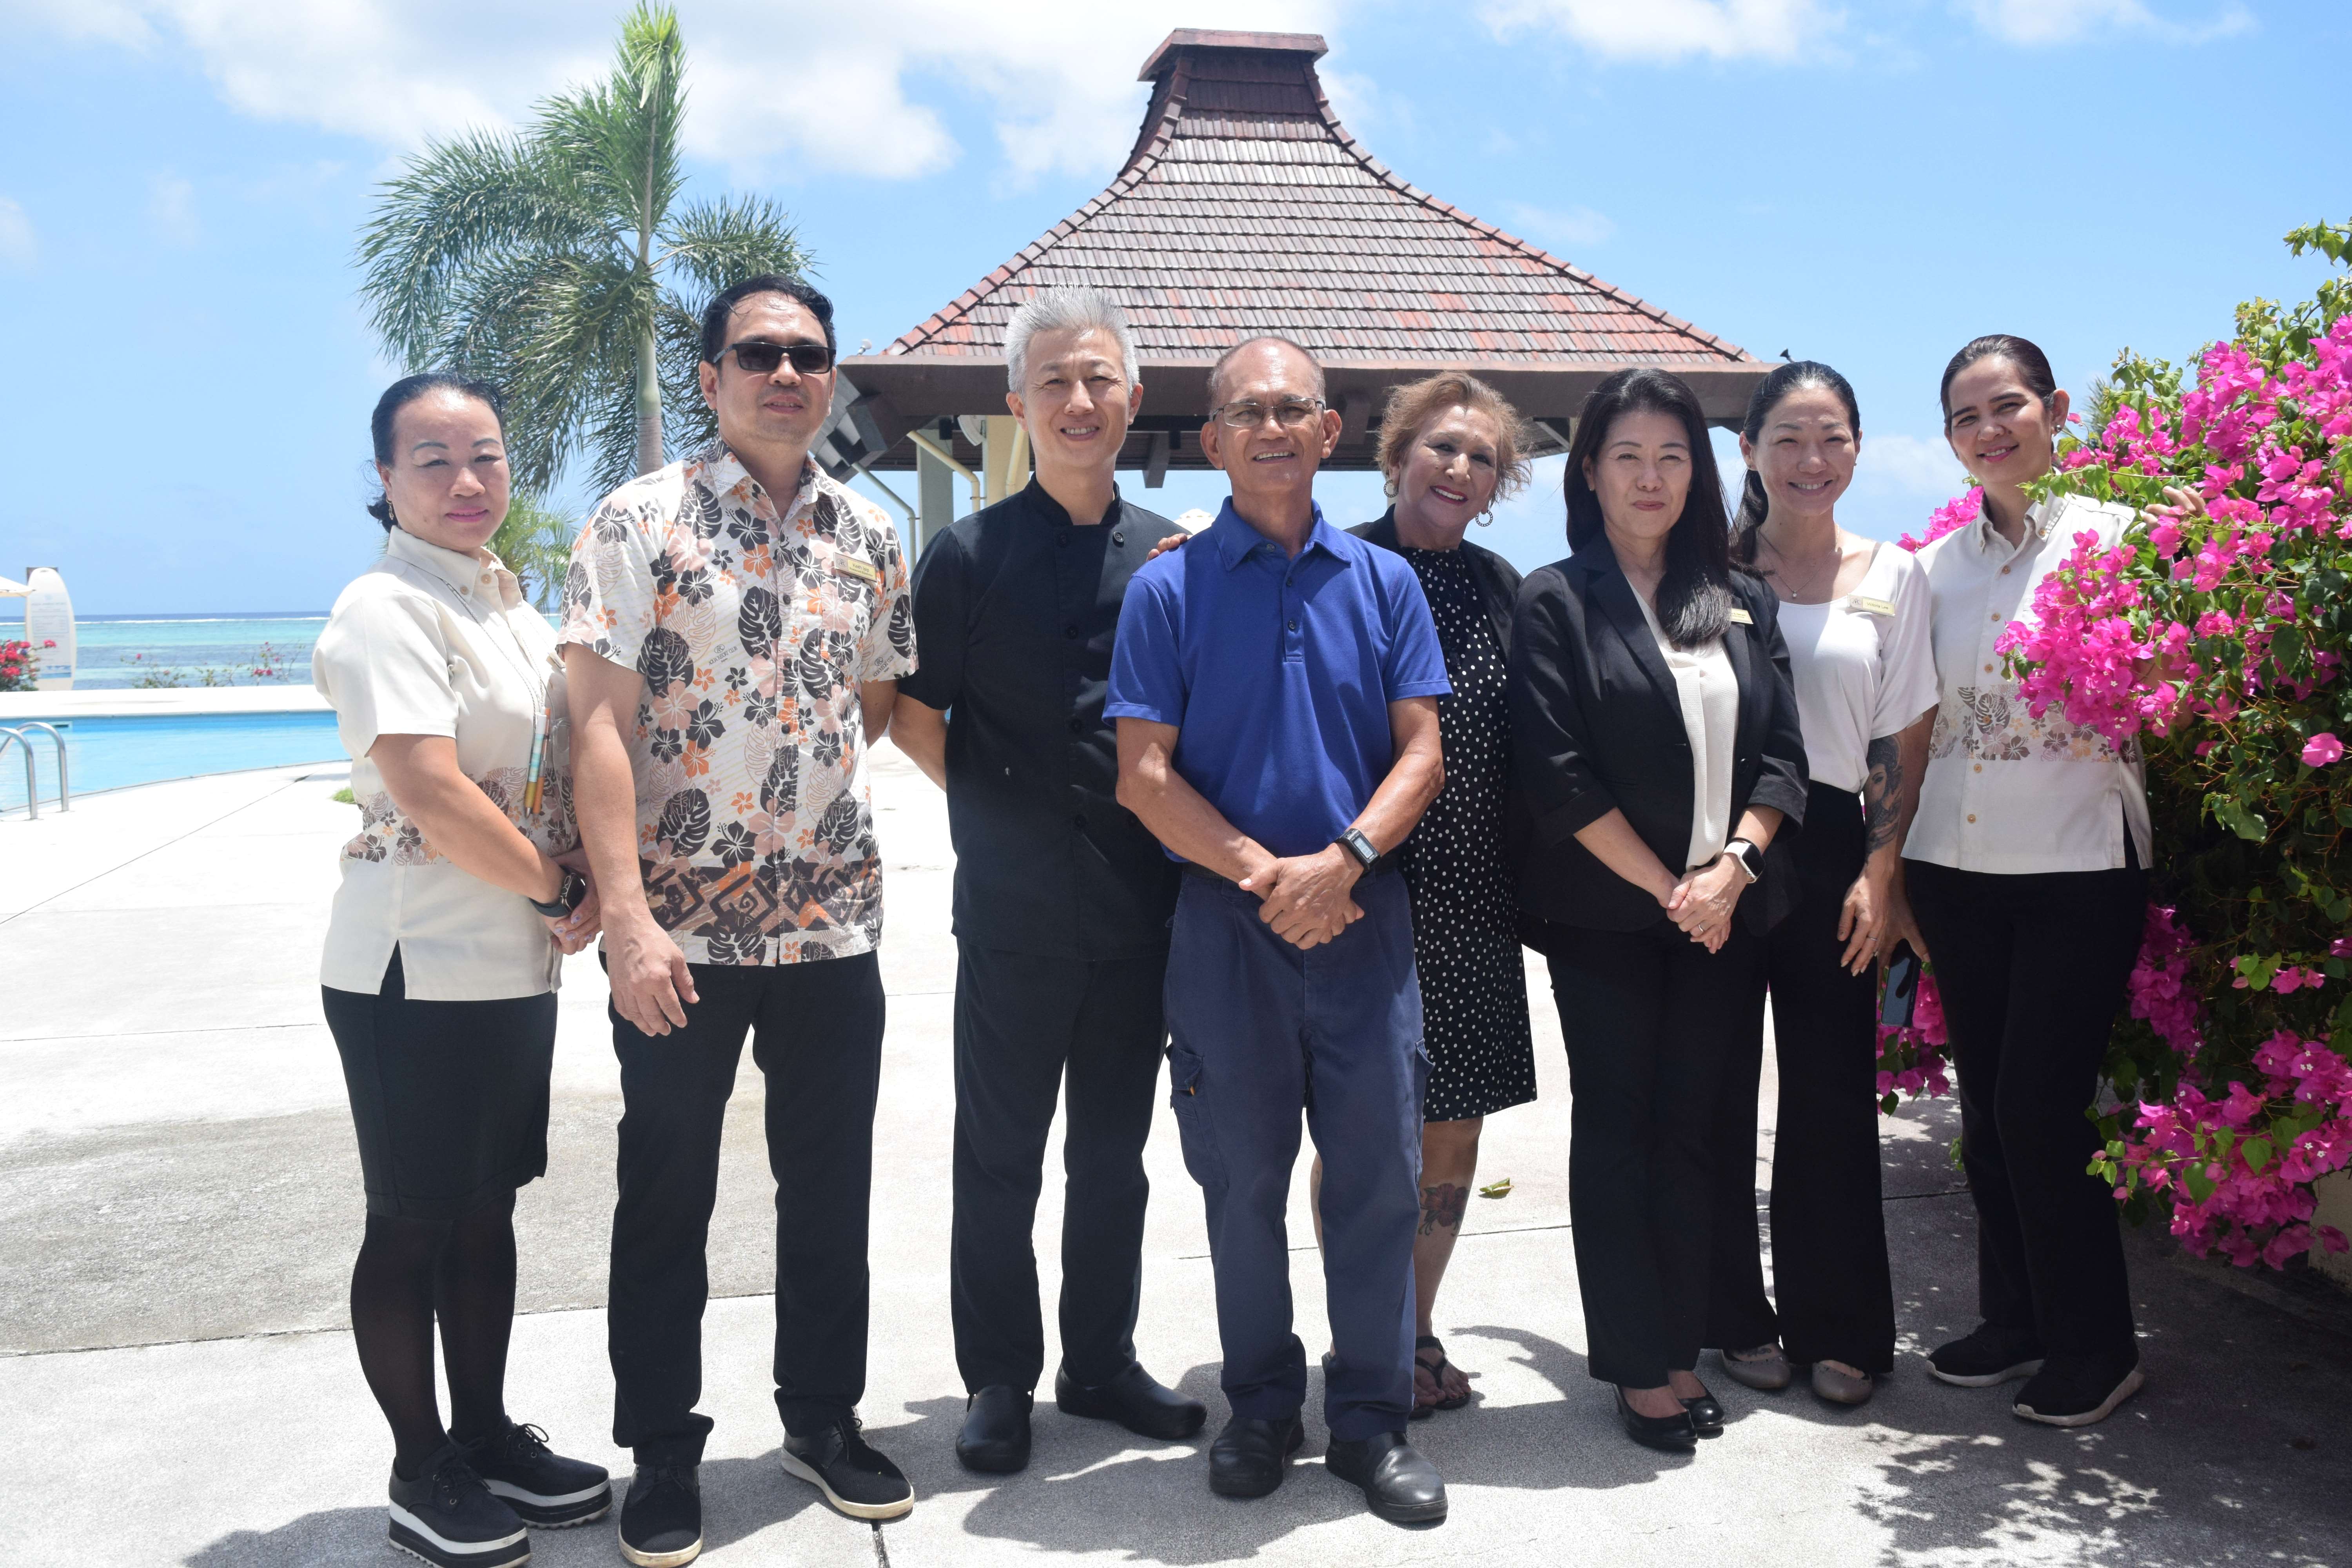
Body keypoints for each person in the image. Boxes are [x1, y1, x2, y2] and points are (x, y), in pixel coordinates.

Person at [561, 274, 917, 1564]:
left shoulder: (869, 531)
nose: (786, 373)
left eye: (808, 355)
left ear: (831, 379)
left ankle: (822, 1421)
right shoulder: (638, 519)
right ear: (711, 378)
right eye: (759, 353)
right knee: (667, 1195)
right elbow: (596, 724)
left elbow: (875, 699)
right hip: (681, 939)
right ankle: (663, 1449)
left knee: (829, 1190)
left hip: (831, 928)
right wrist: (627, 918)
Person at [1107, 335, 1452, 1524]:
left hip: (1366, 920)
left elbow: (1423, 751)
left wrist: (1341, 862)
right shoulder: (1166, 589)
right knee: (1240, 1183)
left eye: (1292, 409)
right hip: (1227, 928)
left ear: (1328, 432)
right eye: (1246, 413)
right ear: (1212, 440)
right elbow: (1144, 775)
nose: (1270, 428)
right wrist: (1271, 878)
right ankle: (1259, 1406)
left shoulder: (1385, 582)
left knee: (1378, 1181)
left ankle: (1370, 1420)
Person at [891, 287, 1206, 1473]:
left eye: (1100, 380)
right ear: (1018, 405)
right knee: (999, 1159)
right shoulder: (967, 556)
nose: (1080, 401)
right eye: (1056, 382)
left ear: (1133, 400)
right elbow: (914, 713)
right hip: (1013, 914)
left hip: (1140, 911)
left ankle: (1102, 1362)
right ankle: (997, 1379)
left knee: (1113, 1160)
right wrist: (998, 808)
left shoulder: (1175, 563)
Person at [315, 372, 612, 1568]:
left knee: (486, 1208)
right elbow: (430, 790)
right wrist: (554, 886)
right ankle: (418, 1466)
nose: (465, 480)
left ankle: (485, 1437)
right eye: (432, 461)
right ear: (386, 480)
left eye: (484, 455)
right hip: (412, 965)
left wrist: (574, 880)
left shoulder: (507, 606)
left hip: (509, 967)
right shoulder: (385, 608)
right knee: (411, 1221)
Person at [1507, 365, 1809, 1452]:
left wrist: (1733, 869)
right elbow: (1557, 775)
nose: (1651, 478)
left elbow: (1784, 757)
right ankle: (1637, 1366)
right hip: (1610, 921)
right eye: (1628, 456)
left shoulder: (1739, 597)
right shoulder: (1554, 599)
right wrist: (1672, 889)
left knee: (1697, 1133)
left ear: (1700, 473)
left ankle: (1683, 1346)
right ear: (1590, 471)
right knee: (1620, 1133)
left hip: (1727, 911)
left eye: (1673, 457)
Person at [1904, 334, 2160, 1428]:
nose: (1988, 430)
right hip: (1956, 870)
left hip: (2079, 863)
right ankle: (2017, 1322)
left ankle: (2098, 1347)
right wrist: (1890, 863)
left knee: (2040, 1110)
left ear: (2054, 410)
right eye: (1965, 418)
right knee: (1988, 1110)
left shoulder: (2124, 541)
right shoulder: (1933, 571)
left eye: (2006, 406)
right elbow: (1912, 727)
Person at [1703, 361, 1939, 1408]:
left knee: (1832, 1095)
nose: (1812, 459)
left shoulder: (1896, 573)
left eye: (1832, 436)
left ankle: (1841, 1328)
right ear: (1748, 450)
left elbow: (1904, 733)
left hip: (1841, 845)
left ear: (1858, 446)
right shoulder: (1706, 570)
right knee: (1714, 1090)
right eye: (1789, 438)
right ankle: (1732, 1318)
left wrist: (1883, 873)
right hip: (1720, 845)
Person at [1334, 372, 1538, 1416]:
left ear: (1500, 484)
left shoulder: (1508, 592)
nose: (1460, 468)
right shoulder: (1335, 569)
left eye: (1482, 457)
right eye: (1441, 447)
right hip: (1360, 891)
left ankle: (1413, 1333)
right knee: (1361, 1136)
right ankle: (1359, 1338)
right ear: (1397, 455)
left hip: (1473, 899)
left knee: (1455, 1133)